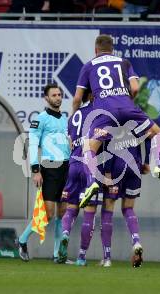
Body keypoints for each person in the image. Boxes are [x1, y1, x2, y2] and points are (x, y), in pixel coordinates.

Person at [72, 34, 160, 208]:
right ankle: (159, 165)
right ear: (112, 49)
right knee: (156, 133)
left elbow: (77, 98)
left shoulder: (88, 66)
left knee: (89, 147)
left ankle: (92, 182)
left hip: (104, 112)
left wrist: (74, 114)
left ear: (96, 50)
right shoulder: (124, 62)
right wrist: (126, 100)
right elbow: (135, 88)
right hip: (127, 106)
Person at [17, 83, 70, 262]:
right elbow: (32, 144)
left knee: (62, 213)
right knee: (47, 214)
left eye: (59, 95)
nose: (58, 98)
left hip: (66, 169)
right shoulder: (40, 119)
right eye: (54, 95)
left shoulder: (64, 119)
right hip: (49, 169)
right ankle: (22, 240)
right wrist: (35, 170)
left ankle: (57, 255)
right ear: (46, 98)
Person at [56, 93, 100, 266]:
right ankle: (81, 257)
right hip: (90, 166)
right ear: (92, 94)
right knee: (89, 212)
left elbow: (69, 142)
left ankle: (65, 233)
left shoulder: (74, 116)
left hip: (73, 164)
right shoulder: (100, 112)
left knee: (71, 208)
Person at [100, 143, 149, 268]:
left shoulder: (113, 122)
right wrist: (147, 161)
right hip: (135, 166)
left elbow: (109, 144)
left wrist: (107, 171)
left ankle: (107, 259)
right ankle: (136, 241)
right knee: (128, 208)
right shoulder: (139, 122)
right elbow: (150, 136)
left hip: (117, 165)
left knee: (107, 210)